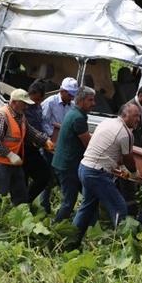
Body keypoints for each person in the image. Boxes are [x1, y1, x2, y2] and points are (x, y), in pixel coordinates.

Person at [72, 103, 141, 241]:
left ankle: (72, 239)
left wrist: (119, 167)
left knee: (87, 206)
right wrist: (134, 174)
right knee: (119, 207)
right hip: (96, 173)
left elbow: (112, 150)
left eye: (139, 116)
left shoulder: (107, 122)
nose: (138, 119)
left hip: (84, 167)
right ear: (124, 115)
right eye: (135, 116)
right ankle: (123, 244)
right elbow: (128, 159)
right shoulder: (125, 133)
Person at [0, 89, 54, 206]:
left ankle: (19, 217)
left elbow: (30, 132)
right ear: (14, 102)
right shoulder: (2, 116)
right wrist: (10, 155)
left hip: (13, 162)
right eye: (24, 103)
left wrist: (45, 141)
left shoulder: (20, 116)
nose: (26, 106)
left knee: (21, 195)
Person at [51, 86, 96, 222]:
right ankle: (56, 226)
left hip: (67, 163)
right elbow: (88, 144)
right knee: (69, 201)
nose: (93, 103)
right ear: (81, 100)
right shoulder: (78, 118)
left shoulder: (74, 113)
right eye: (90, 100)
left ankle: (90, 224)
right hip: (68, 166)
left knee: (90, 196)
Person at [118, 83, 142, 216]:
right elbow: (125, 131)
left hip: (136, 148)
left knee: (131, 182)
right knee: (127, 183)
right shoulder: (130, 109)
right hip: (127, 150)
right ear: (140, 96)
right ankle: (128, 213)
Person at [40, 76, 78, 213]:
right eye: (70, 94)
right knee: (48, 177)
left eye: (74, 95)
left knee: (63, 177)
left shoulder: (72, 106)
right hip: (49, 145)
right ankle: (44, 206)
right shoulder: (50, 103)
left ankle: (64, 206)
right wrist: (53, 137)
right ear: (62, 91)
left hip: (63, 148)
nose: (72, 98)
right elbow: (42, 122)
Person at [22, 82, 52, 204]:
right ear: (31, 94)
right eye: (37, 99)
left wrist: (45, 140)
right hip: (21, 149)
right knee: (22, 179)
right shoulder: (22, 108)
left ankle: (27, 200)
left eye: (41, 99)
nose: (39, 102)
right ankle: (20, 205)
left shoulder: (38, 107)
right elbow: (28, 130)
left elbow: (39, 126)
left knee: (44, 176)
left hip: (34, 147)